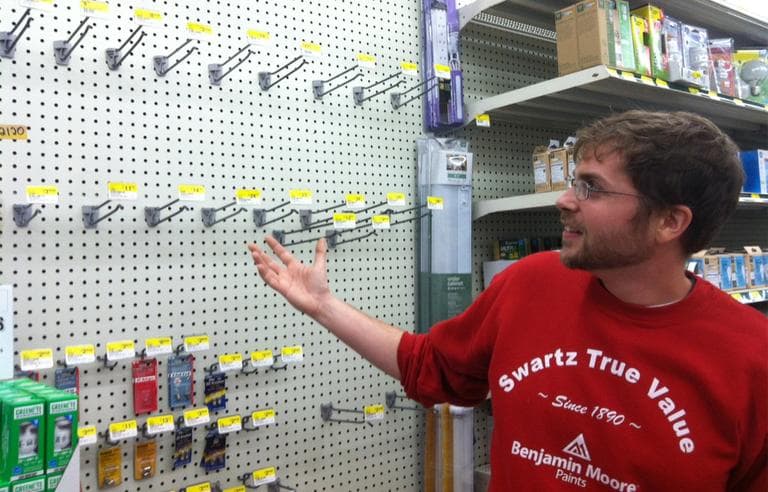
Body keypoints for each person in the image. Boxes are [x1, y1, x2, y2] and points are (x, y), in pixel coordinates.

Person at [248, 110, 767, 491]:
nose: (564, 200)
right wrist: (323, 306)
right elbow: (430, 367)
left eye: (592, 188)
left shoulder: (751, 359)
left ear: (670, 222)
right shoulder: (532, 283)